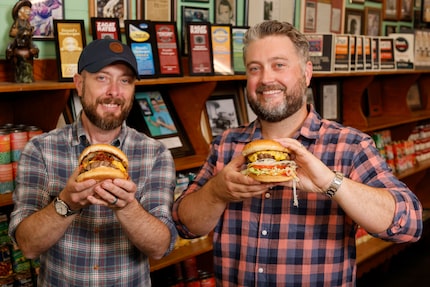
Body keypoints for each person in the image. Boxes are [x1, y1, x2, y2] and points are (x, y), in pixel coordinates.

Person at [172, 21, 423, 286]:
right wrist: (216, 192)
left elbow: (408, 225)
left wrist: (330, 182)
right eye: (255, 68)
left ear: (306, 73)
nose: (266, 79)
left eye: (279, 65)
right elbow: (184, 225)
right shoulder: (225, 145)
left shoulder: (349, 145)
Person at [8, 39, 178, 286]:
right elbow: (27, 246)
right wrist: (66, 202)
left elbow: (160, 247)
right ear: (79, 83)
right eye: (102, 77)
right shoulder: (40, 149)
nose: (114, 92)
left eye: (125, 80)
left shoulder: (156, 154)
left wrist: (127, 207)